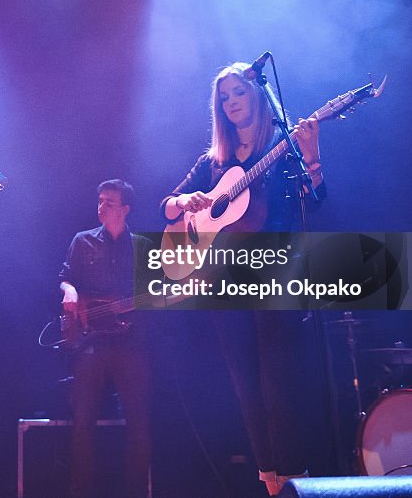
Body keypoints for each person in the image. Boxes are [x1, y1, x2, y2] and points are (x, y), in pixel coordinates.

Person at [160, 62, 326, 496]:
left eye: (238, 93)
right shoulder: (212, 162)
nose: (232, 102)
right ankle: (270, 482)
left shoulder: (283, 145)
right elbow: (168, 207)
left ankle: (294, 482)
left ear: (256, 95)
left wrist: (311, 157)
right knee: (247, 390)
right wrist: (185, 200)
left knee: (279, 386)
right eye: (225, 98)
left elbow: (319, 199)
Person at [60, 179, 153, 498]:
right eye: (100, 201)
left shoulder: (142, 245)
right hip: (90, 343)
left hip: (130, 343)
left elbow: (155, 292)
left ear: (125, 209)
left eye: (109, 203)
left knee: (139, 425)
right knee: (83, 423)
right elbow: (64, 279)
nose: (101, 207)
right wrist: (70, 291)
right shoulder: (82, 241)